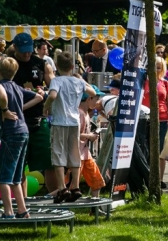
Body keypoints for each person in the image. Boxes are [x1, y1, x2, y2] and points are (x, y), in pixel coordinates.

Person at [0, 56, 43, 219]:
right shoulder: (17, 87)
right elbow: (39, 97)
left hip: (11, 133)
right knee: (16, 177)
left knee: (2, 177)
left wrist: (6, 109)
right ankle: (22, 210)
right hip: (24, 132)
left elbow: (2, 96)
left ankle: (8, 212)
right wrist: (21, 107)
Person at [44, 52, 97, 203]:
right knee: (75, 154)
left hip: (60, 121)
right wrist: (81, 81)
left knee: (58, 154)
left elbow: (53, 96)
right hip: (75, 122)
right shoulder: (77, 81)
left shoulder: (57, 81)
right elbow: (92, 92)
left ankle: (62, 188)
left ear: (57, 66)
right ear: (73, 66)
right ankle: (76, 186)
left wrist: (46, 107)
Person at [11, 32, 57, 189]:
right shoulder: (9, 65)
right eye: (23, 50)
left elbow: (54, 87)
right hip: (16, 120)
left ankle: (56, 199)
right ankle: (21, 207)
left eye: (29, 49)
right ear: (15, 47)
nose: (27, 53)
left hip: (39, 119)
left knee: (50, 162)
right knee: (19, 166)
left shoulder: (42, 64)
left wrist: (46, 93)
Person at [142, 55, 168, 188]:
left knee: (160, 151)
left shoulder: (165, 83)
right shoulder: (143, 81)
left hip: (162, 119)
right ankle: (147, 177)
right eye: (154, 66)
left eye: (159, 67)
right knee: (147, 149)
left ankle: (159, 180)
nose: (156, 69)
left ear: (163, 69)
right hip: (146, 118)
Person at [78, 92, 106, 198]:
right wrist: (90, 136)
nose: (97, 102)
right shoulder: (79, 114)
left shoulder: (86, 114)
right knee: (69, 186)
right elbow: (74, 134)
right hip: (77, 155)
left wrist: (91, 136)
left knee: (96, 182)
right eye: (96, 99)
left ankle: (95, 209)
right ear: (89, 99)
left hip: (86, 154)